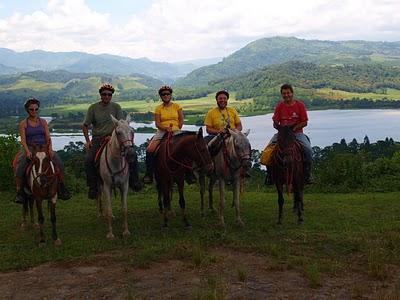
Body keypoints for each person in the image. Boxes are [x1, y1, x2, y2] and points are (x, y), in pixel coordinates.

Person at [82, 83, 141, 199]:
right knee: (88, 159)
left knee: (132, 155)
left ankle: (134, 181)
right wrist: (88, 141)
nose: (107, 96)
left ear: (111, 95)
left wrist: (113, 136)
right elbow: (85, 125)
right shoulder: (93, 108)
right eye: (104, 94)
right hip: (98, 139)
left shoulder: (116, 107)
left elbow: (120, 124)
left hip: (114, 138)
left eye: (109, 94)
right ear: (100, 95)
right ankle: (93, 187)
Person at [14, 98, 71, 203]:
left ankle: (62, 187)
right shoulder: (23, 123)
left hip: (44, 147)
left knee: (59, 163)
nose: (34, 111)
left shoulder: (43, 122)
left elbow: (48, 137)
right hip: (31, 147)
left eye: (36, 109)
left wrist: (49, 149)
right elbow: (23, 140)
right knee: (20, 166)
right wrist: (27, 152)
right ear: (27, 110)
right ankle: (20, 192)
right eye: (32, 109)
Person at [266, 84, 313, 184]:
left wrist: (293, 129)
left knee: (308, 150)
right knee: (268, 151)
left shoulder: (300, 105)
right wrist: (280, 128)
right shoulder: (279, 106)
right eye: (284, 93)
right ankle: (270, 176)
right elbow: (275, 122)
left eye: (288, 93)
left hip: (297, 134)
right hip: (282, 134)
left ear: (292, 93)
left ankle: (307, 175)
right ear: (281, 95)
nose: (286, 95)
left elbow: (305, 122)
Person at [143, 85, 185, 184]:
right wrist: (166, 128)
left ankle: (189, 173)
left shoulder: (177, 106)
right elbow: (157, 124)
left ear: (170, 95)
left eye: (167, 94)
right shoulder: (158, 108)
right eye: (163, 94)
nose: (166, 95)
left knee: (187, 147)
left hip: (176, 130)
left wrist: (176, 129)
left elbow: (181, 120)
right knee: (150, 150)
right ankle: (149, 173)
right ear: (161, 96)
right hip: (162, 131)